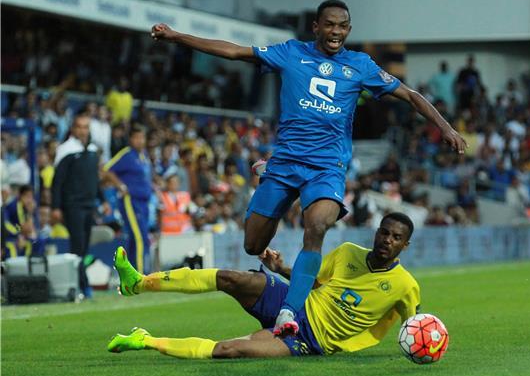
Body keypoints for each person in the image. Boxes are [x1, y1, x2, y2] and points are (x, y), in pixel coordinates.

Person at [150, 0, 465, 336]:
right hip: (285, 162)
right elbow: (235, 52)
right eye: (329, 25)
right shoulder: (290, 53)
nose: (336, 32)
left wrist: (445, 127)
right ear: (316, 27)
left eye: (342, 26)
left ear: (349, 29)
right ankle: (267, 173)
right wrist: (177, 37)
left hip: (327, 167)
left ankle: (289, 312)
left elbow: (410, 94)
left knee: (316, 226)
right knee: (253, 246)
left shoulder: (360, 65)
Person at [107, 213, 420, 359]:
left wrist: (422, 345)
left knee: (230, 349)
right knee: (232, 278)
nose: (387, 241)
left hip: (310, 339)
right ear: (377, 233)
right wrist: (280, 268)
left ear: (404, 246)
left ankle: (144, 340)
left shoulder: (405, 285)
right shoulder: (349, 252)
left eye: (396, 238)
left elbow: (415, 324)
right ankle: (139, 283)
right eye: (384, 233)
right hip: (293, 303)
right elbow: (311, 279)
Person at [51, 114, 108, 298]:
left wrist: (104, 199)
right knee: (78, 246)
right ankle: (83, 287)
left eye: (86, 127)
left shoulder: (92, 151)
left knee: (83, 248)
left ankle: (80, 285)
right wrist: (56, 207)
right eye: (80, 127)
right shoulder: (66, 150)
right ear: (73, 129)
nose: (83, 130)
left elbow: (95, 180)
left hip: (89, 205)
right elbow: (57, 182)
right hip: (72, 205)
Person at [103, 125, 154, 273]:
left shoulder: (143, 156)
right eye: (137, 138)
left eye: (142, 137)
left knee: (135, 238)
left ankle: (131, 274)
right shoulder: (126, 154)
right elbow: (107, 169)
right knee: (140, 237)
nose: (140, 141)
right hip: (131, 201)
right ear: (131, 139)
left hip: (144, 202)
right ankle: (140, 276)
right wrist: (120, 185)